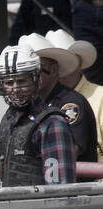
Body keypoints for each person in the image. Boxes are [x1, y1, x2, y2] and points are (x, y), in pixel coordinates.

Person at [0, 44, 76, 209]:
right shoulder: (8, 120)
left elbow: (62, 192)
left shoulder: (52, 122)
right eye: (9, 82)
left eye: (22, 81)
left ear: (36, 79)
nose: (15, 88)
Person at [21, 32, 98, 161]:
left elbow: (70, 150)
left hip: (70, 180)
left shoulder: (71, 102)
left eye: (37, 70)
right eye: (25, 72)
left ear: (54, 69)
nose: (31, 77)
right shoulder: (30, 105)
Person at [47, 28, 103, 155]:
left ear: (79, 61)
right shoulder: (40, 101)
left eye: (66, 61)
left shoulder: (101, 97)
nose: (60, 68)